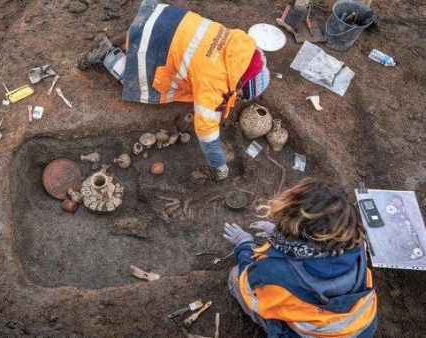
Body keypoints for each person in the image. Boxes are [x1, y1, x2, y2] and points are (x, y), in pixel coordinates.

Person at [79, 0, 270, 180]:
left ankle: (135, 31)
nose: (238, 97)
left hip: (162, 15)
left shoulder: (241, 44)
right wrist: (219, 166)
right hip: (149, 42)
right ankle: (107, 53)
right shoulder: (215, 82)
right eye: (242, 94)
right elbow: (206, 131)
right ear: (243, 83)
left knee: (186, 77)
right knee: (142, 83)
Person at [222, 178, 378, 337]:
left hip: (309, 333)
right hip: (360, 327)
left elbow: (251, 287)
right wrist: (278, 235)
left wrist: (245, 244)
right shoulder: (355, 242)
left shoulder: (273, 272)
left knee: (236, 276)